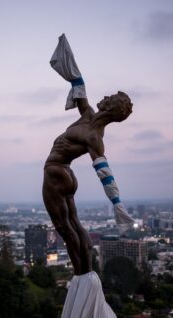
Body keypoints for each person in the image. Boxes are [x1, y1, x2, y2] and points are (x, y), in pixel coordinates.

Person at [43, 93, 133, 275]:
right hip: (66, 173)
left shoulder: (94, 137)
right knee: (73, 223)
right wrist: (68, 66)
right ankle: (86, 269)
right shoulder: (88, 115)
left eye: (111, 97)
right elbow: (80, 90)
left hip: (56, 172)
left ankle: (82, 273)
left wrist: (117, 203)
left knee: (64, 228)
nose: (106, 96)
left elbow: (104, 173)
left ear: (110, 108)